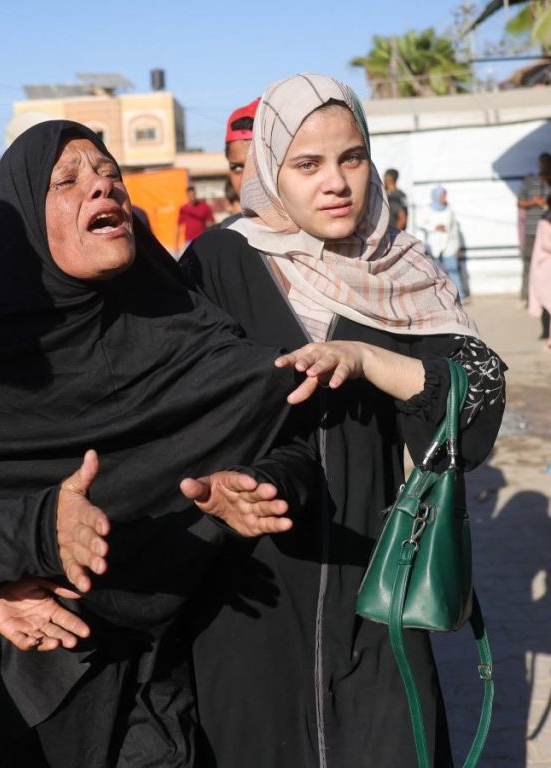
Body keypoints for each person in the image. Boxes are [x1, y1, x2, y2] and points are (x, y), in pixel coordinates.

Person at [0, 120, 321, 767]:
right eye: (69, 180)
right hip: (21, 688)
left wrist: (260, 488)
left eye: (110, 173)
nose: (102, 186)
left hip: (161, 665)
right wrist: (29, 536)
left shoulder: (178, 318)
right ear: (25, 217)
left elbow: (289, 430)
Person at [180, 74, 505, 768]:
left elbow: (477, 401)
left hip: (378, 586)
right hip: (253, 589)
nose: (337, 182)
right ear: (271, 170)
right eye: (308, 164)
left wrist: (367, 358)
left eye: (351, 157)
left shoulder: (401, 267)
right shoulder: (220, 262)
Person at [417, 185, 466, 300]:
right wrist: (434, 227)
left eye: (445, 195)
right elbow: (421, 224)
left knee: (453, 270)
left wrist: (457, 246)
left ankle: (459, 296)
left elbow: (454, 229)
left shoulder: (449, 209)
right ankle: (439, 297)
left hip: (449, 245)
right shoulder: (427, 210)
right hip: (433, 246)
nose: (444, 197)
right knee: (435, 272)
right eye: (442, 195)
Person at [219, 97, 260, 229]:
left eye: (257, 166)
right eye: (237, 167)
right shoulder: (214, 244)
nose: (246, 180)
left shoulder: (318, 236)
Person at [519, 152, 551, 301]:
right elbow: (520, 202)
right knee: (529, 264)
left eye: (547, 163)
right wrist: (535, 202)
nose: (545, 166)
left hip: (548, 232)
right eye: (542, 163)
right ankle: (526, 297)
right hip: (532, 231)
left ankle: (544, 298)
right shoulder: (530, 181)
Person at [528, 208, 551, 347]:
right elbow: (547, 244)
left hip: (546, 269)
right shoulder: (544, 223)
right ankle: (546, 333)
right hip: (543, 269)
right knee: (546, 303)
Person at [175, 185, 215, 252]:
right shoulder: (183, 209)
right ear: (187, 196)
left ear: (195, 194)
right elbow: (178, 226)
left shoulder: (204, 206)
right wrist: (176, 243)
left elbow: (211, 223)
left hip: (202, 240)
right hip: (189, 241)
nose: (192, 198)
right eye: (190, 196)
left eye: (193, 195)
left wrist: (212, 239)